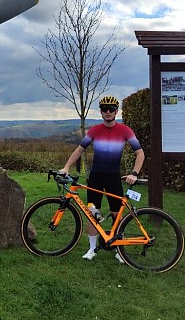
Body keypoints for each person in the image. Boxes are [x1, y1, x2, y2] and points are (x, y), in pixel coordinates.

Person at [61, 95, 145, 262]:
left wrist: (134, 173)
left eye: (111, 109)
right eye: (105, 109)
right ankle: (92, 249)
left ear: (116, 111)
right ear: (100, 111)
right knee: (92, 213)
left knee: (116, 214)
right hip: (96, 176)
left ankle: (119, 250)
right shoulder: (94, 130)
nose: (108, 111)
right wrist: (66, 167)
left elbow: (140, 153)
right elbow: (79, 150)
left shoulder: (125, 130)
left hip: (114, 177)